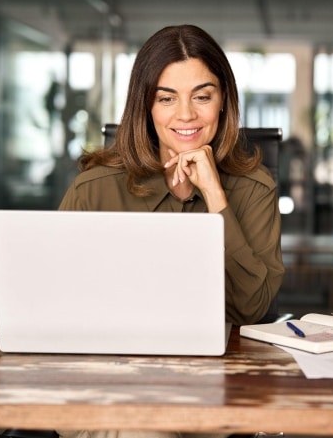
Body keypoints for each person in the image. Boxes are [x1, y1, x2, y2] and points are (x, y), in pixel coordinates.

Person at [56, 25, 284, 438]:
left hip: (215, 387)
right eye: (166, 98)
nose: (186, 115)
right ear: (145, 107)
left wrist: (216, 197)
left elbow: (251, 308)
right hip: (113, 384)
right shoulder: (93, 189)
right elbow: (53, 305)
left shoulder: (255, 188)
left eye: (202, 95)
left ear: (223, 102)